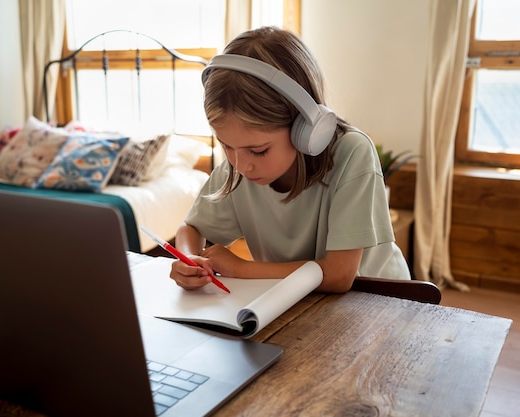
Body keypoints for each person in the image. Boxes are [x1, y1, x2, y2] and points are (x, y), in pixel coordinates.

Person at [170, 26, 411, 293]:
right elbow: (191, 227)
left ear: (305, 128)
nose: (241, 164)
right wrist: (190, 258)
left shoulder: (352, 152)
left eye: (259, 150)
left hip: (378, 301)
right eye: (227, 146)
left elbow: (339, 275)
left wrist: (241, 268)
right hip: (295, 298)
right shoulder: (241, 161)